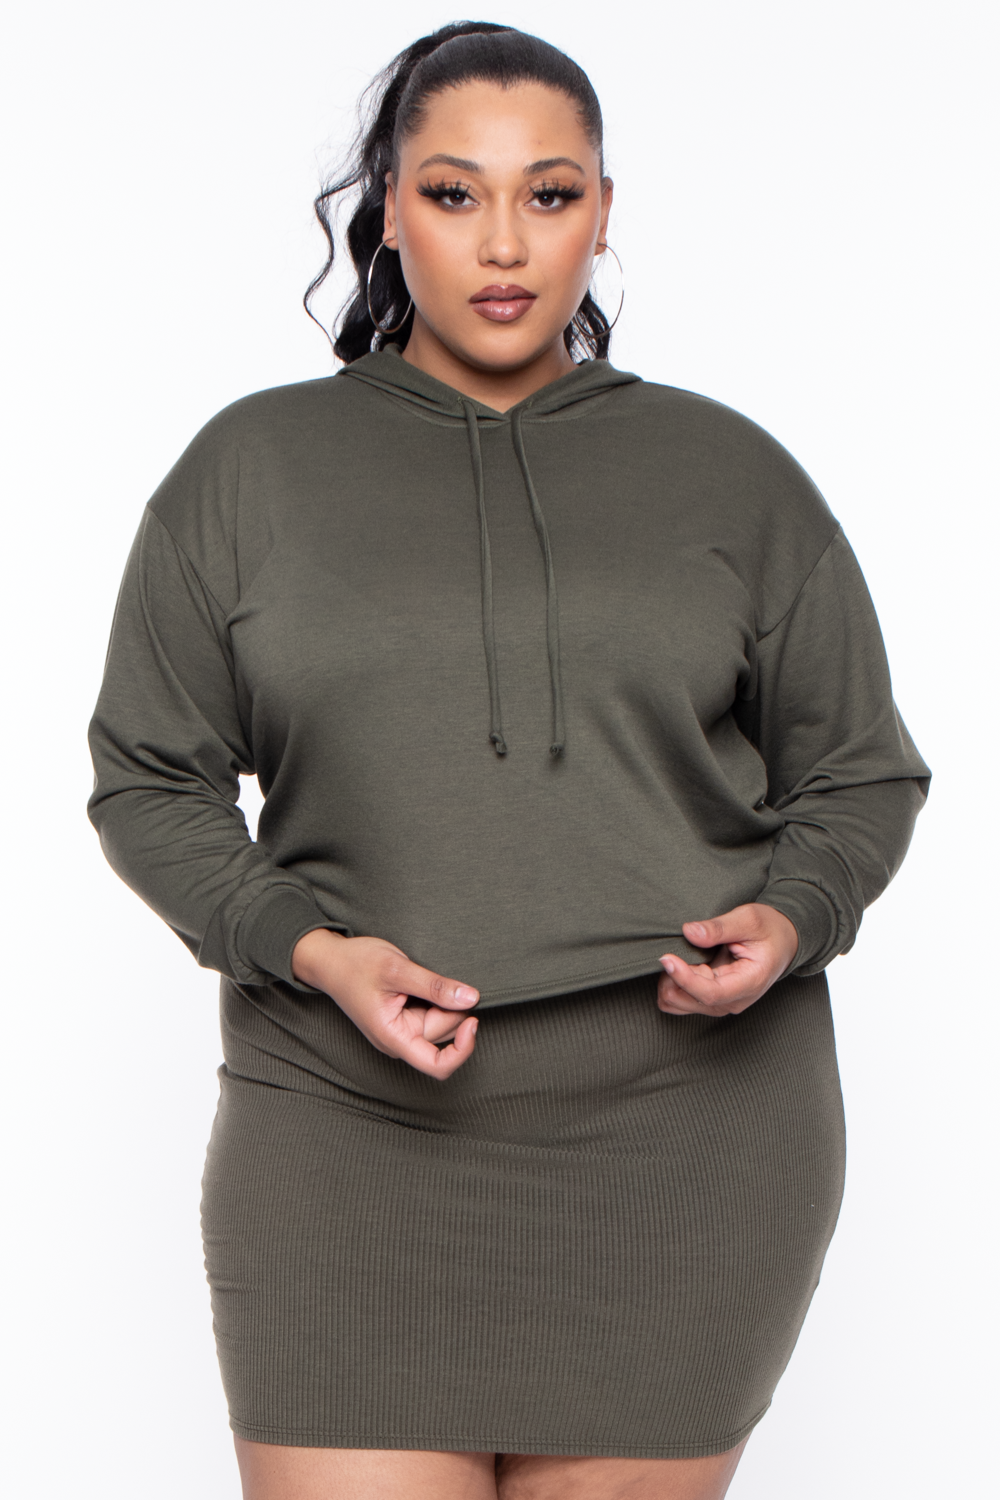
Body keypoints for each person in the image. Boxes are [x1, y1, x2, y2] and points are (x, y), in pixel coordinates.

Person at [87, 21, 930, 1500]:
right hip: (342, 1123)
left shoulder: (732, 474)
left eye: (548, 194)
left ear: (603, 211)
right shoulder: (248, 470)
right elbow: (149, 779)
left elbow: (859, 773)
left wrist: (794, 917)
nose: (503, 243)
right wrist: (312, 949)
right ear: (387, 212)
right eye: (452, 192)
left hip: (687, 1134)